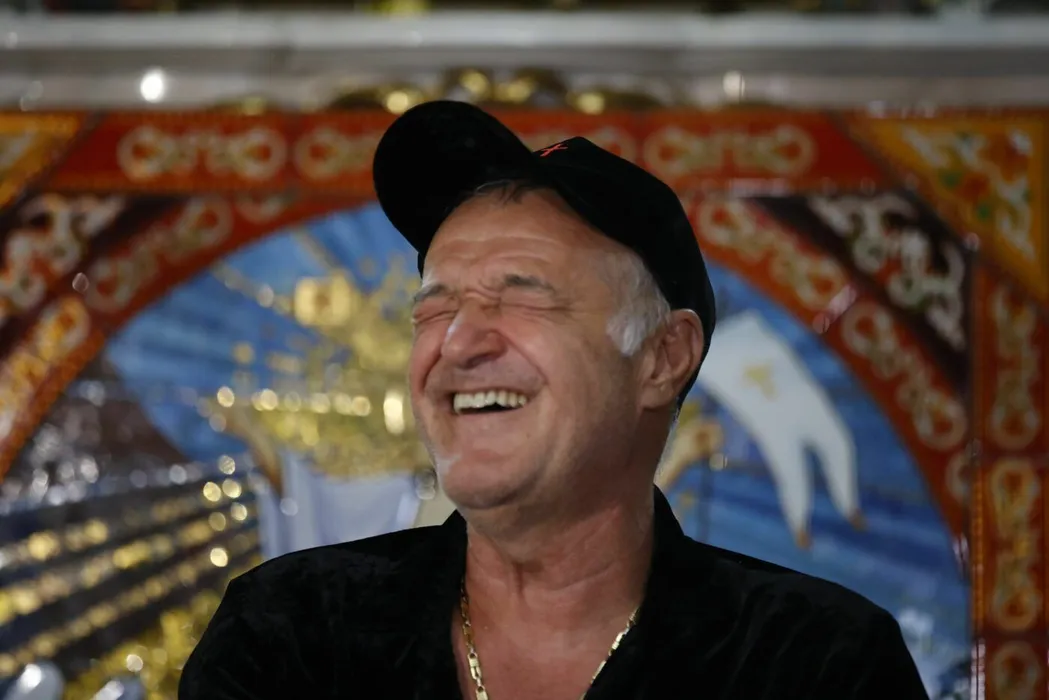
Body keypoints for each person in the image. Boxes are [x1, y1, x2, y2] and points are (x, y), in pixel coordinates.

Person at [178, 101, 930, 700]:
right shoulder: (288, 635)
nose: (457, 343)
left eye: (522, 297)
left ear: (663, 358)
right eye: (435, 308)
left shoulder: (812, 662)